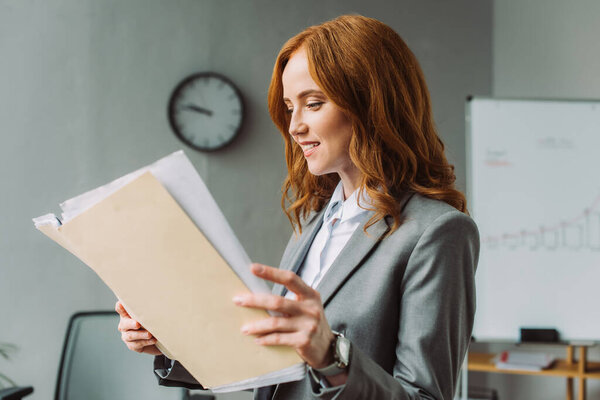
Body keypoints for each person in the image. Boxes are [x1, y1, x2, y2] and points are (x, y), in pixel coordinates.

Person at [116, 14, 479, 400]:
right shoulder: (314, 221)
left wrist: (331, 355)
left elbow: (424, 396)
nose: (294, 126)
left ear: (372, 104)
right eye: (290, 107)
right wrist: (171, 343)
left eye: (314, 103)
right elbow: (272, 360)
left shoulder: (437, 232)